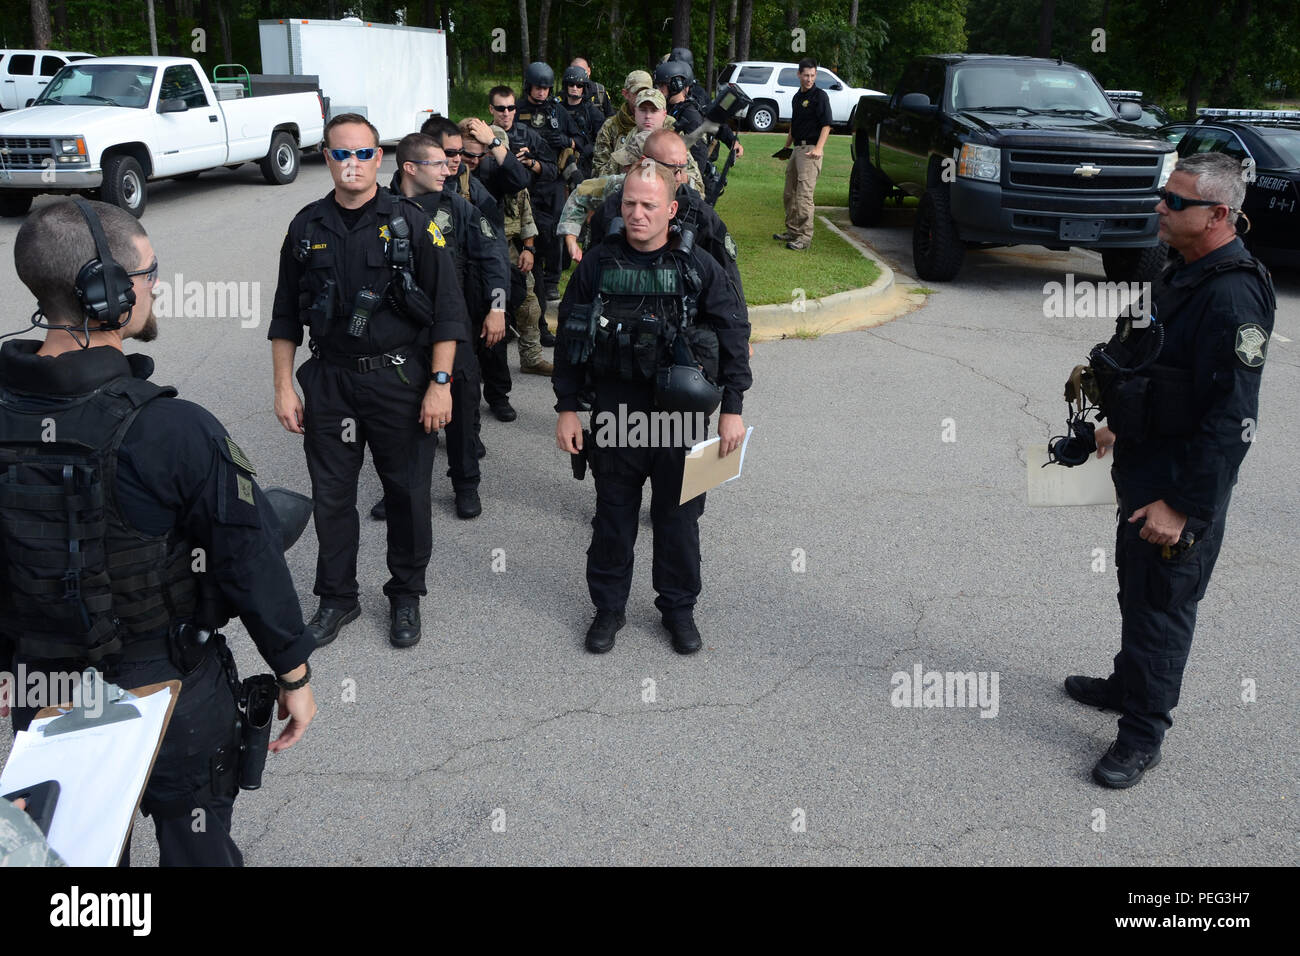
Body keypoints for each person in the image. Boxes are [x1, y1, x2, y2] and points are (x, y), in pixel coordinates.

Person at [1, 199, 316, 866]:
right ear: (107, 292)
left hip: (46, 694)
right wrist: (294, 672)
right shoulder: (175, 430)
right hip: (169, 690)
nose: (156, 286)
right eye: (148, 273)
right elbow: (249, 556)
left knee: (71, 877)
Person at [1064, 152, 1276, 788]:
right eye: (1163, 194)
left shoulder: (1233, 291)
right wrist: (1115, 425)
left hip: (1179, 483)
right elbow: (1154, 365)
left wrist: (1183, 507)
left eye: (1175, 201)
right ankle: (1128, 683)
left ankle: (1142, 735)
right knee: (1138, 586)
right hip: (1145, 463)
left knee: (1163, 604)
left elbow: (1231, 419)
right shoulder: (1180, 269)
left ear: (1217, 214)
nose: (1160, 206)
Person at [269, 113, 468, 649]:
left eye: (361, 153)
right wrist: (284, 386)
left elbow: (448, 311)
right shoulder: (306, 226)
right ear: (326, 158)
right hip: (331, 382)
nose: (351, 163)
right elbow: (285, 315)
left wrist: (441, 383)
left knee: (406, 492)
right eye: (340, 153)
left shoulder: (411, 222)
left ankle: (405, 594)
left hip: (399, 379)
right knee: (331, 495)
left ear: (379, 158)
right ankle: (337, 598)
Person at [553, 161, 751, 655]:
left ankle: (679, 610)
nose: (638, 214)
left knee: (680, 521)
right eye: (630, 205)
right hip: (616, 414)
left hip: (683, 420)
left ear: (671, 209)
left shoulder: (697, 266)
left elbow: (733, 334)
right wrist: (566, 408)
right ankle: (608, 609)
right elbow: (570, 339)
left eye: (649, 205)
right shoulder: (598, 263)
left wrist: (732, 408)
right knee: (612, 519)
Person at [375, 133, 507, 521]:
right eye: (438, 162)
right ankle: (397, 490)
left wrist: (497, 308)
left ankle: (466, 485)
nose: (450, 167)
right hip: (399, 333)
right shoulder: (382, 208)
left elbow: (493, 257)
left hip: (454, 327)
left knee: (462, 413)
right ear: (410, 168)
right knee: (398, 419)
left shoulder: (459, 208)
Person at [415, 116, 516, 423]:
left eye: (461, 152)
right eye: (449, 153)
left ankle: (470, 431)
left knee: (470, 371)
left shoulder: (465, 196)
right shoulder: (390, 202)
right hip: (415, 312)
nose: (458, 160)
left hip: (466, 298)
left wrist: (497, 307)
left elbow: (494, 250)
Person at [582, 130, 746, 298]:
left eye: (682, 169)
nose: (680, 177)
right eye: (673, 170)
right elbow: (587, 277)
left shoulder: (701, 216)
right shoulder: (612, 209)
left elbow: (729, 288)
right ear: (646, 164)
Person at [458, 120, 552, 376]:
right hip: (474, 252)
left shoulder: (508, 178)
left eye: (487, 152)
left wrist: (529, 249)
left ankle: (531, 357)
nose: (478, 159)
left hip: (507, 247)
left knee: (529, 305)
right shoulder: (461, 176)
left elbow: (526, 216)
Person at [489, 83, 560, 344]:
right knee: (496, 275)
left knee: (533, 276)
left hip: (527, 213)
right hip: (495, 217)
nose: (506, 113)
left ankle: (539, 328)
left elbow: (552, 170)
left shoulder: (528, 136)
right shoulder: (484, 137)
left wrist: (531, 163)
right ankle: (503, 325)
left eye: (510, 108)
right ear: (491, 109)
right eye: (500, 108)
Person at [515, 63, 579, 310]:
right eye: (537, 87)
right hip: (525, 179)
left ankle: (551, 280)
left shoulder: (558, 112)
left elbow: (582, 141)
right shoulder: (516, 109)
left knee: (555, 231)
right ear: (528, 86)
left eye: (546, 88)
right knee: (523, 227)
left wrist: (566, 140)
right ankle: (525, 271)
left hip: (552, 180)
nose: (541, 92)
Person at [597, 89, 706, 196]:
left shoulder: (674, 145)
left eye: (654, 111)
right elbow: (602, 182)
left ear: (664, 114)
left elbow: (698, 190)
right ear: (635, 112)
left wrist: (678, 178)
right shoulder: (627, 140)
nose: (648, 116)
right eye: (643, 110)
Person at [775, 58, 832, 251]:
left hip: (811, 151)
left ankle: (804, 237)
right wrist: (786, 147)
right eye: (806, 75)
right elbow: (794, 125)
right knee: (789, 193)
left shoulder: (820, 96)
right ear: (799, 75)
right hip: (797, 150)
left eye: (812, 75)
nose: (809, 79)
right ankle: (792, 231)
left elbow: (826, 125)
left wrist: (818, 148)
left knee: (804, 196)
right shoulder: (797, 97)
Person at [654, 59, 743, 180]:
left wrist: (689, 183)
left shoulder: (690, 115)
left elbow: (699, 156)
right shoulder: (671, 108)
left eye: (661, 86)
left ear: (676, 85)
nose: (658, 90)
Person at [592, 70, 653, 180]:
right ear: (625, 94)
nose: (641, 98)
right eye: (637, 93)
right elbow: (598, 174)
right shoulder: (610, 126)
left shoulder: (665, 123)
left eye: (646, 93)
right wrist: (624, 160)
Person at [559, 64, 608, 181]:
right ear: (566, 86)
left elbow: (603, 140)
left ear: (584, 88)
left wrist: (588, 149)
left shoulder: (592, 112)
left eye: (579, 85)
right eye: (571, 84)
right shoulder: (557, 109)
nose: (575, 88)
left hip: (585, 162)